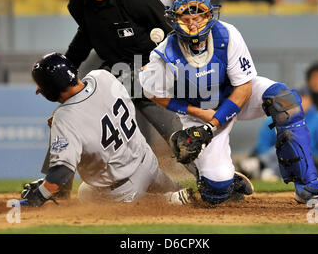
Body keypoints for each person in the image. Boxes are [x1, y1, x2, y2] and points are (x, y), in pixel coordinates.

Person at [139, 0, 318, 208]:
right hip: (198, 114)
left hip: (234, 99)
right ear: (176, 20)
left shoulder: (227, 35)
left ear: (208, 16)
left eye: (197, 17)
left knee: (284, 101)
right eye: (186, 19)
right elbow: (153, 93)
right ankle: (223, 180)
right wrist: (196, 113)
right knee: (215, 193)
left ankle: (307, 186)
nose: (192, 25)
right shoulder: (164, 53)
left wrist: (213, 123)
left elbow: (244, 88)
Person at [56, 0, 184, 198]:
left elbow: (174, 37)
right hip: (115, 73)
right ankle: (59, 185)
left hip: (151, 73)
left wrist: (161, 65)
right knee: (75, 113)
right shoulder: (80, 1)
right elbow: (85, 38)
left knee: (178, 136)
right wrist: (62, 75)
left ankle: (213, 182)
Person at [19, 53, 191, 207]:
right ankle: (179, 193)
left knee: (87, 195)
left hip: (123, 188)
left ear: (49, 91)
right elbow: (95, 109)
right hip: (147, 161)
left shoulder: (65, 118)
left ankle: (168, 200)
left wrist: (39, 195)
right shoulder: (101, 77)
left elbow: (61, 172)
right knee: (181, 193)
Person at [252, 87, 318, 179]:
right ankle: (262, 167)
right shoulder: (274, 119)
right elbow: (263, 145)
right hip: (275, 159)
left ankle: (264, 169)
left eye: (303, 98)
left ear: (310, 100)